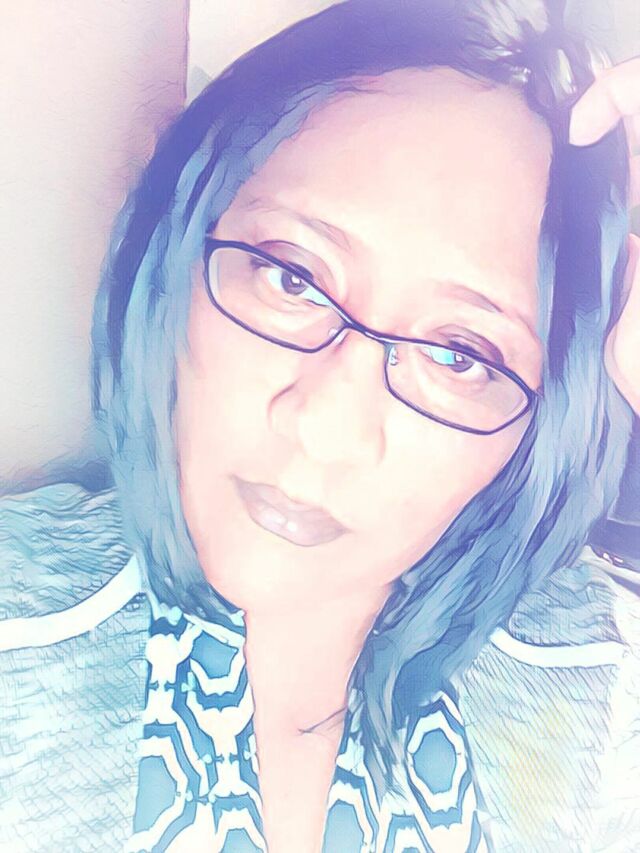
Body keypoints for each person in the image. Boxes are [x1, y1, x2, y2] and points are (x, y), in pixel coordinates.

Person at [1, 1, 639, 851]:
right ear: (180, 243)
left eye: (458, 355)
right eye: (292, 277)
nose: (326, 427)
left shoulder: (599, 682)